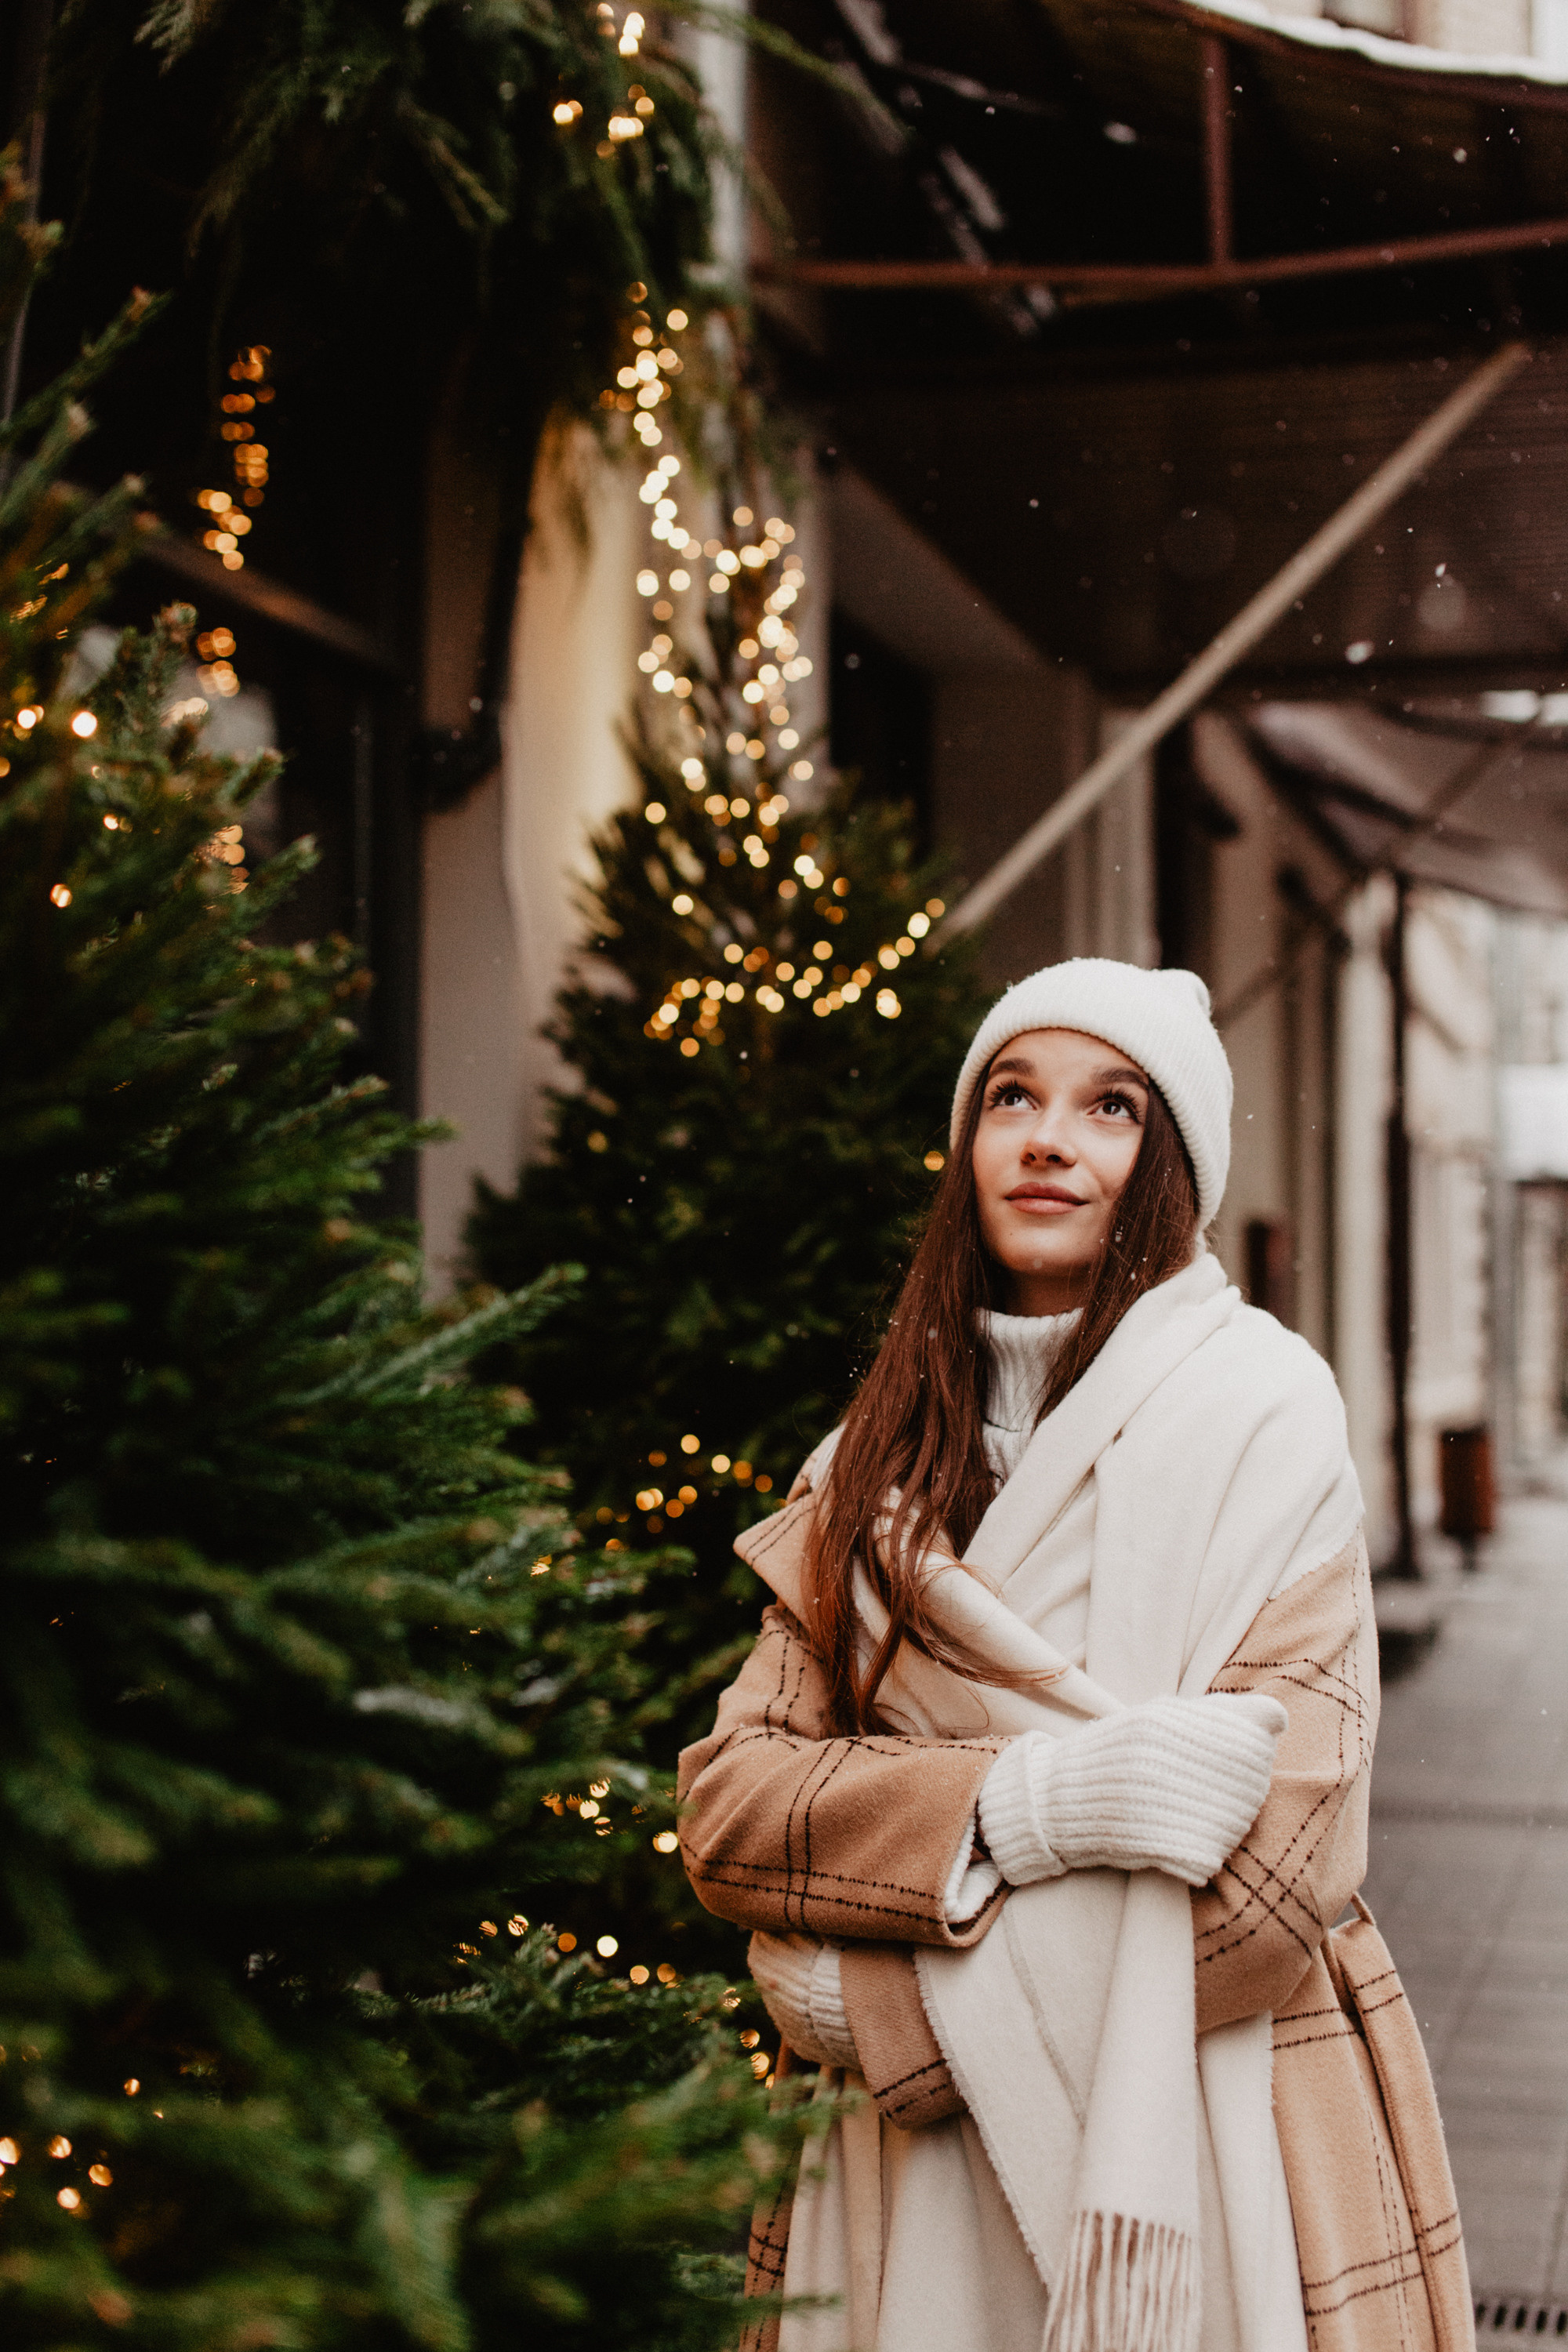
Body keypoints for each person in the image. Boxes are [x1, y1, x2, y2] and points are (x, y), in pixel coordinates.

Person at [677, 959, 1471, 2352]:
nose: (1048, 1137)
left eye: (1109, 1105)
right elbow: (734, 1812)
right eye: (1010, 1097)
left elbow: (1283, 1874)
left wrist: (890, 2002)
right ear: (967, 1147)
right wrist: (1021, 1810)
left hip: (1221, 2122)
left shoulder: (1267, 1420)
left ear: (1168, 1163)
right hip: (903, 2186)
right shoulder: (866, 1466)